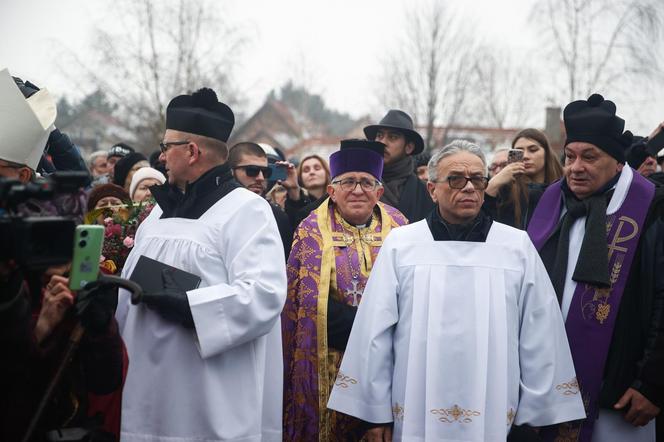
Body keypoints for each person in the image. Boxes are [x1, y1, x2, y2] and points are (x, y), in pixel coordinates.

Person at [328, 140, 586, 441]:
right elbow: (374, 334)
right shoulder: (402, 245)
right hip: (413, 410)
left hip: (497, 412)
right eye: (456, 179)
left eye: (478, 179)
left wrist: (536, 413)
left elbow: (540, 332)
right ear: (432, 189)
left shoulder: (515, 247)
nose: (469, 188)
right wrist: (375, 414)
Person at [115, 87, 286, 442]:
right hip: (149, 399)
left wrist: (191, 306)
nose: (160, 158)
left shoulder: (248, 211)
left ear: (191, 151)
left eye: (166, 148)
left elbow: (265, 295)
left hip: (212, 404)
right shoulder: (158, 215)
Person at [527, 94, 664, 442]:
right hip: (545, 391)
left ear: (618, 163)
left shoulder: (652, 210)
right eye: (570, 157)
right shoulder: (546, 204)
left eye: (590, 157)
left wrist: (653, 382)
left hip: (620, 395)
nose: (575, 167)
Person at [282, 139, 408, 441]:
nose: (357, 189)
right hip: (329, 353)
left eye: (366, 182)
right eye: (348, 182)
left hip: (389, 356)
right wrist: (363, 326)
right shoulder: (310, 230)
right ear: (332, 190)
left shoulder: (401, 228)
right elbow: (302, 302)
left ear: (379, 191)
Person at [364, 109, 435, 222]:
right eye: (379, 135)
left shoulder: (425, 192)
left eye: (392, 137)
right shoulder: (359, 184)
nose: (382, 142)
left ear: (409, 147)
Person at [484, 128, 564, 228]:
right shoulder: (506, 192)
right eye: (519, 152)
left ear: (546, 153)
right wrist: (494, 184)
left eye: (533, 150)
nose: (525, 156)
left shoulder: (564, 188)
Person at [228, 141, 294, 257]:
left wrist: (295, 191)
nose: (260, 178)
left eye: (265, 172)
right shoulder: (215, 208)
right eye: (251, 171)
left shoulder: (277, 216)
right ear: (232, 172)